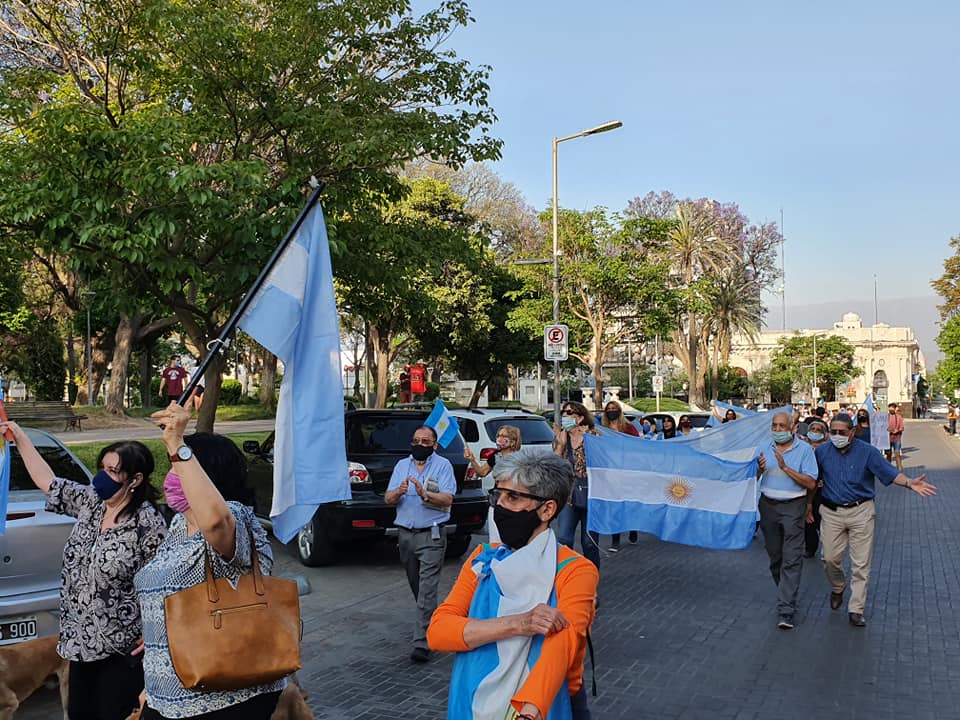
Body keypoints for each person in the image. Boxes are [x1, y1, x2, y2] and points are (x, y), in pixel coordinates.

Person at [0, 420, 167, 720]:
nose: (104, 477)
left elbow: (164, 585)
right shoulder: (92, 502)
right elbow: (47, 481)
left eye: (114, 471)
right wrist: (19, 437)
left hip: (120, 651)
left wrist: (156, 635)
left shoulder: (148, 524)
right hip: (77, 646)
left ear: (135, 479)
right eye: (103, 467)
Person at [135, 403, 284, 718]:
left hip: (223, 697)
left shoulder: (235, 518)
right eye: (172, 465)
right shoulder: (177, 525)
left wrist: (177, 443)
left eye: (179, 466)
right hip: (169, 694)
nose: (171, 474)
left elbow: (217, 522)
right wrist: (155, 675)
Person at [427, 452, 599, 720]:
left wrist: (529, 711)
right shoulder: (484, 558)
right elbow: (438, 632)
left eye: (513, 497)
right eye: (498, 496)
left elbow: (563, 644)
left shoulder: (575, 570)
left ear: (547, 509)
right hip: (474, 697)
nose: (500, 507)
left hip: (548, 704)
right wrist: (520, 623)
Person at [816, 413, 937, 627]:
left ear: (852, 432)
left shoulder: (868, 453)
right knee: (829, 558)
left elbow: (889, 473)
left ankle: (856, 609)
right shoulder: (822, 452)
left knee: (861, 563)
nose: (836, 436)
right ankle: (838, 586)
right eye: (832, 432)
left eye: (841, 432)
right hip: (831, 511)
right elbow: (809, 477)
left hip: (861, 511)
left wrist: (909, 483)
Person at [384, 425, 457, 663]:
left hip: (432, 535)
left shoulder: (443, 465)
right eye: (416, 440)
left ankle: (422, 642)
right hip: (405, 535)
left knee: (427, 590)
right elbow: (387, 498)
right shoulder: (401, 466)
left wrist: (425, 495)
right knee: (418, 587)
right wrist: (399, 492)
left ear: (434, 445)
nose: (420, 445)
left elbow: (447, 498)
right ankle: (433, 618)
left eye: (426, 441)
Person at [756, 412, 818, 629]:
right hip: (768, 506)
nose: (778, 430)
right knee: (776, 557)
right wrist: (758, 469)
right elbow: (752, 477)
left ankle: (786, 609)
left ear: (792, 428)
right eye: (774, 425)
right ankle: (786, 593)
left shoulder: (805, 450)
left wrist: (785, 468)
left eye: (782, 426)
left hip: (793, 507)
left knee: (792, 558)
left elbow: (811, 483)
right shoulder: (764, 447)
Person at [553, 401, 601, 569]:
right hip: (569, 496)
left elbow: (601, 463)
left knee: (589, 542)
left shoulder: (593, 436)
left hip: (591, 494)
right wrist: (560, 445)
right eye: (564, 413)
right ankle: (566, 577)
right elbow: (555, 465)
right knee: (564, 539)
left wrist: (586, 438)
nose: (565, 416)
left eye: (569, 412)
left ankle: (591, 579)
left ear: (580, 417)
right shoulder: (561, 437)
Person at [600, 402, 638, 552]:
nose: (611, 411)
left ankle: (632, 527)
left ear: (620, 411)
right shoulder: (602, 429)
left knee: (627, 503)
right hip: (610, 473)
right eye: (608, 409)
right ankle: (615, 539)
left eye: (614, 409)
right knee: (613, 505)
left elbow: (638, 446)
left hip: (627, 471)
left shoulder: (628, 428)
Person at [802, 418, 829, 558]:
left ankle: (828, 548)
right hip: (805, 489)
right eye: (813, 430)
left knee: (821, 519)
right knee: (807, 520)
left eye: (819, 430)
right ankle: (810, 547)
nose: (815, 432)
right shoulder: (802, 448)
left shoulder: (829, 450)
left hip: (822, 491)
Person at [886, 403, 904, 471]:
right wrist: (888, 430)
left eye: (892, 408)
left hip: (897, 439)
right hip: (888, 439)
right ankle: (888, 469)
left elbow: (902, 427)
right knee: (888, 455)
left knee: (897, 454)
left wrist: (898, 430)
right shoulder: (886, 417)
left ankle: (899, 470)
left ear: (895, 408)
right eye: (889, 408)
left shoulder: (899, 417)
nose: (890, 410)